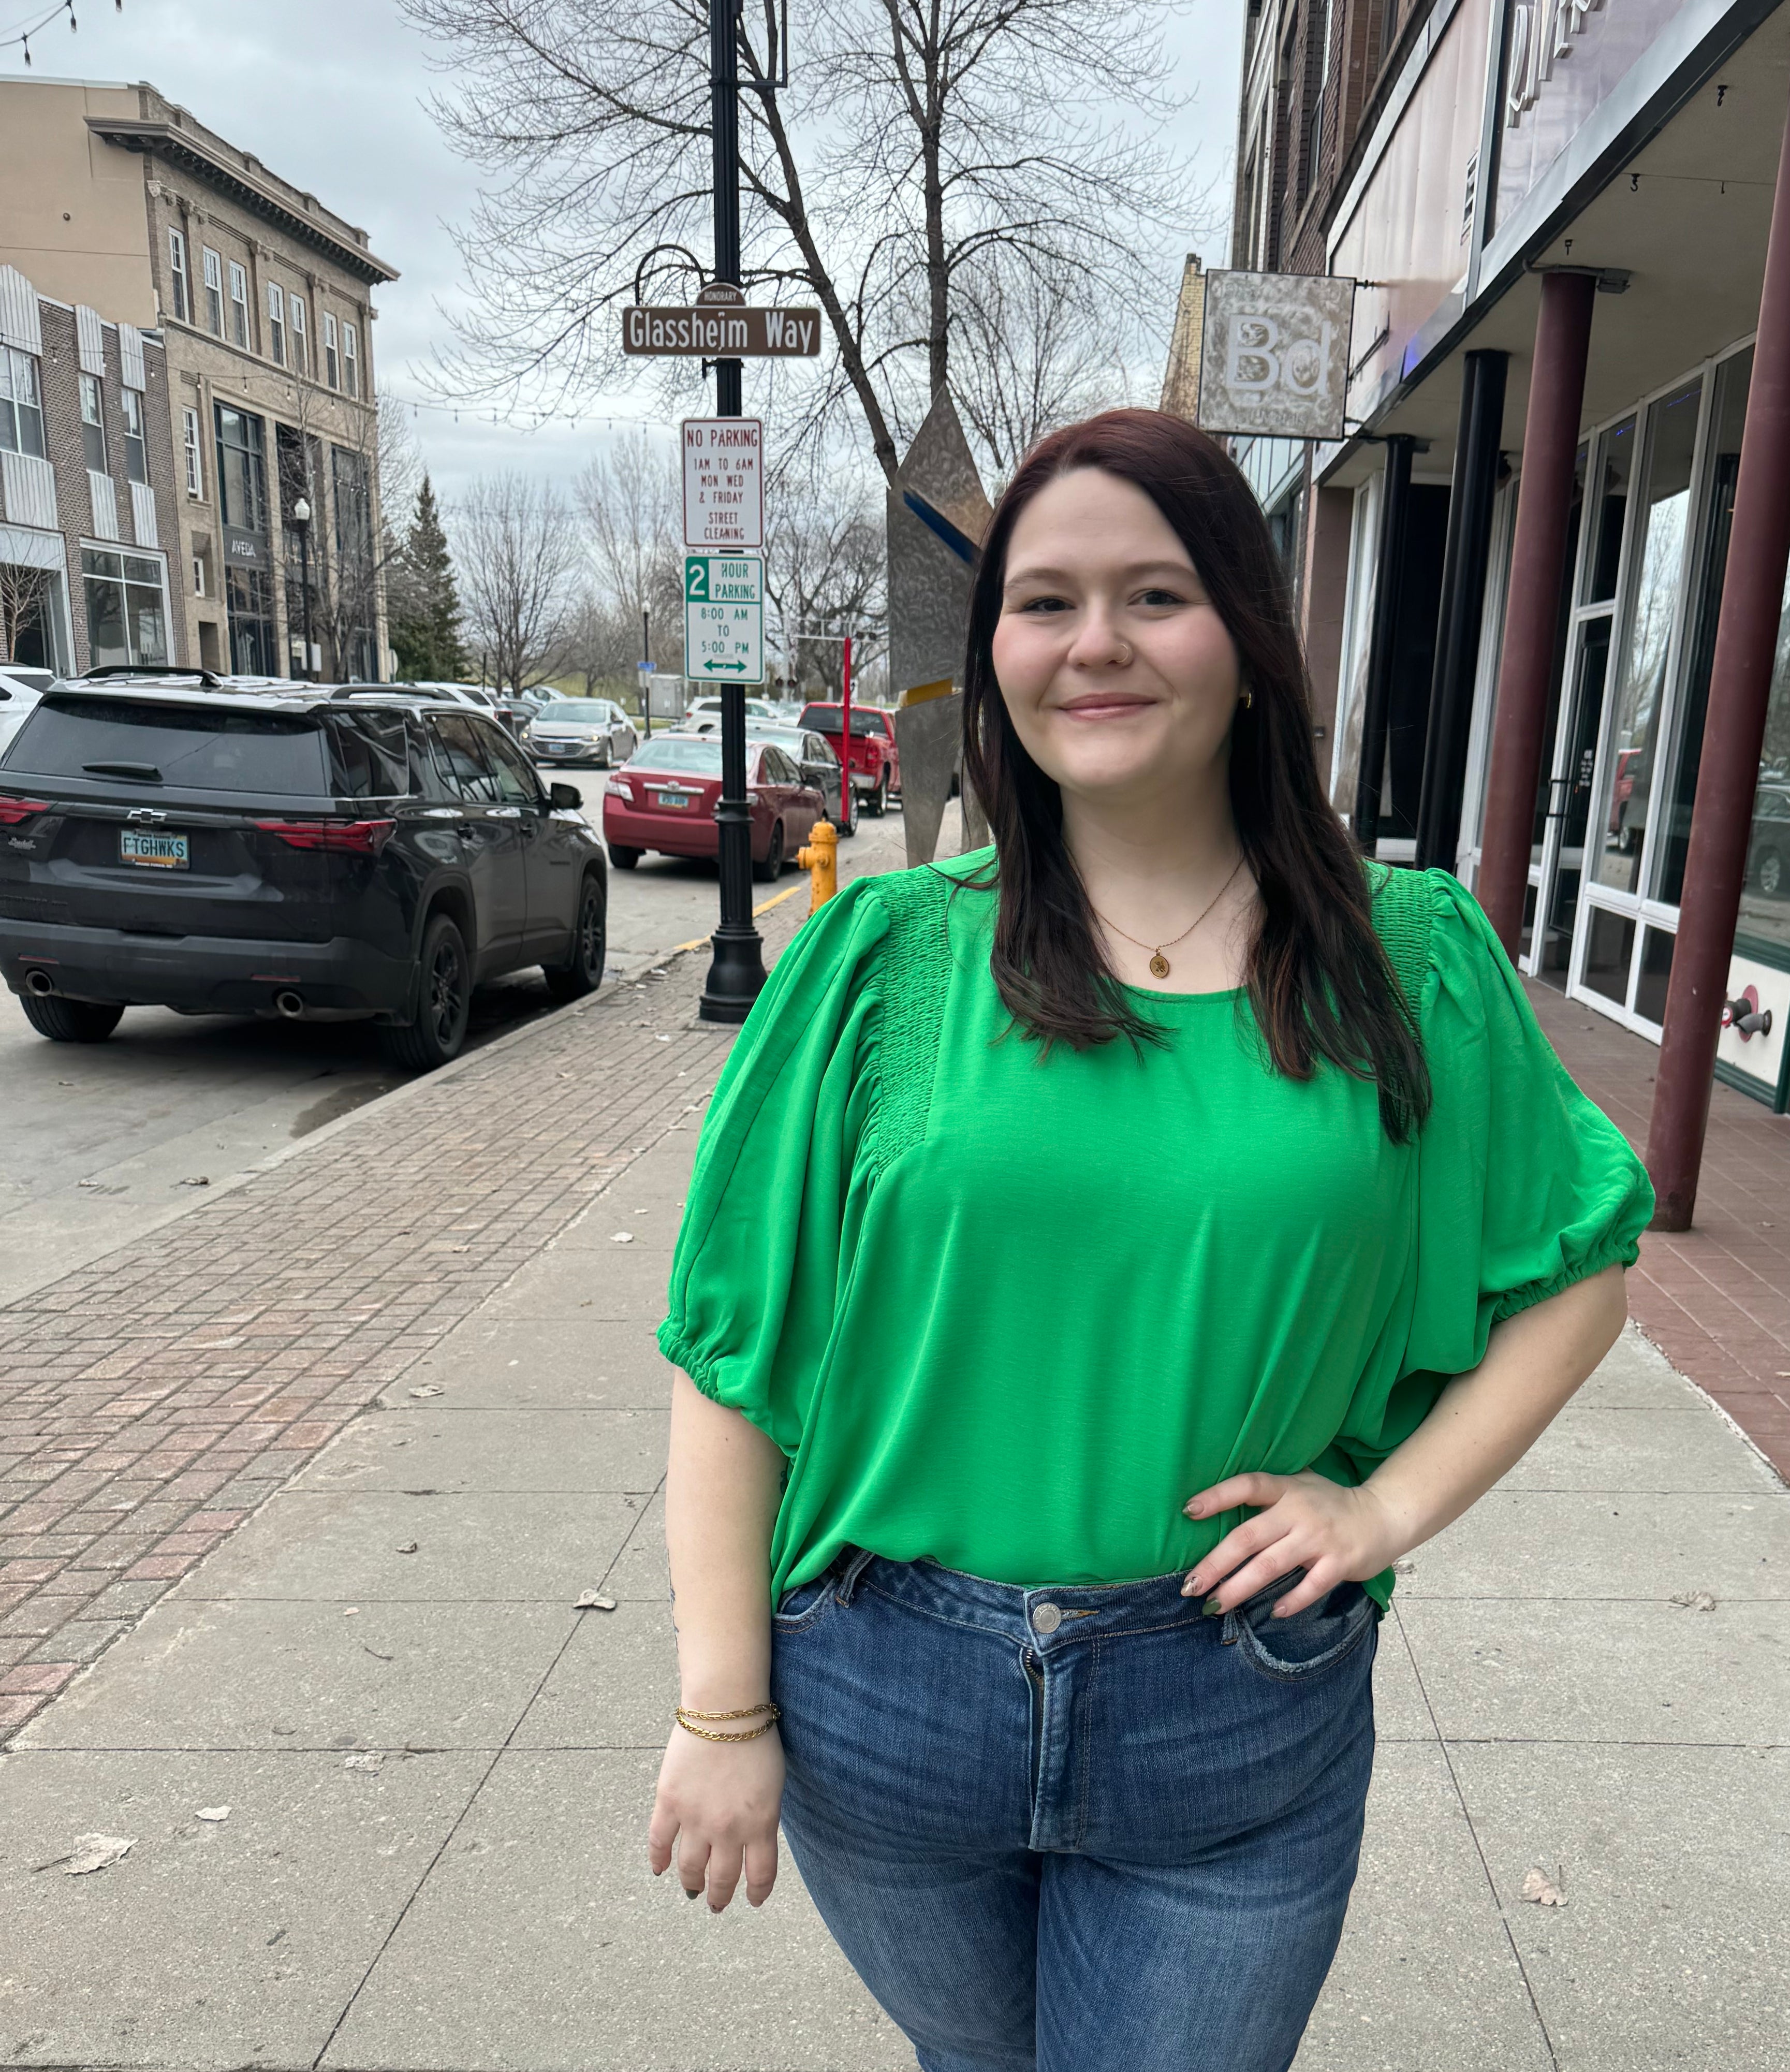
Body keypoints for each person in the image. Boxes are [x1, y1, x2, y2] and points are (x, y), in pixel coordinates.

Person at [648, 408, 1653, 2071]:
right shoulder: (878, 962)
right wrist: (718, 1703)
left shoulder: (1407, 958)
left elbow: (1578, 1269)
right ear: (994, 663)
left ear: (1248, 644)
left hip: (1231, 1700)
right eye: (1042, 603)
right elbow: (731, 1360)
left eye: (1153, 594)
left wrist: (1387, 1502)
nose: (1093, 643)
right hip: (887, 1693)